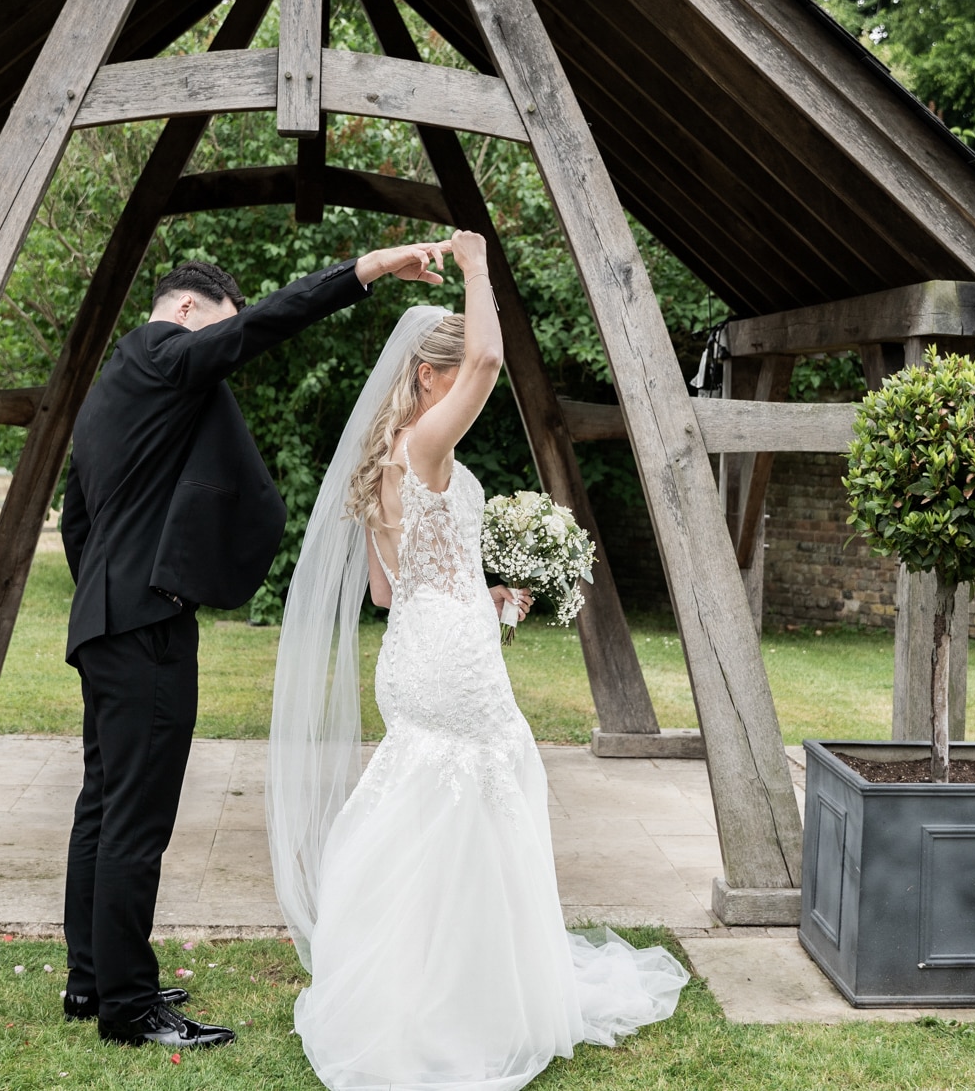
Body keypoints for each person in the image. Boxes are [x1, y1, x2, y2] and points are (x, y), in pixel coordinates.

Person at [269, 230, 688, 1091]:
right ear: (429, 376)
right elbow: (491, 358)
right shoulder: (423, 447)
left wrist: (488, 597)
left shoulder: (393, 460)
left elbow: (390, 595)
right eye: (454, 377)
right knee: (480, 797)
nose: (471, 390)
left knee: (431, 811)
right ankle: (460, 1002)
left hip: (422, 645)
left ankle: (416, 979)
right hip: (449, 661)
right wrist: (474, 264)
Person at [59, 241, 451, 1051]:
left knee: (100, 806)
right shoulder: (169, 352)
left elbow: (77, 518)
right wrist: (368, 269)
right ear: (191, 310)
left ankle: (93, 976)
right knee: (137, 818)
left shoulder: (108, 387)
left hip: (100, 623)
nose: (216, 358)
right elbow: (270, 323)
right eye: (217, 333)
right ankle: (128, 1008)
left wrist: (106, 595)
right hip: (144, 628)